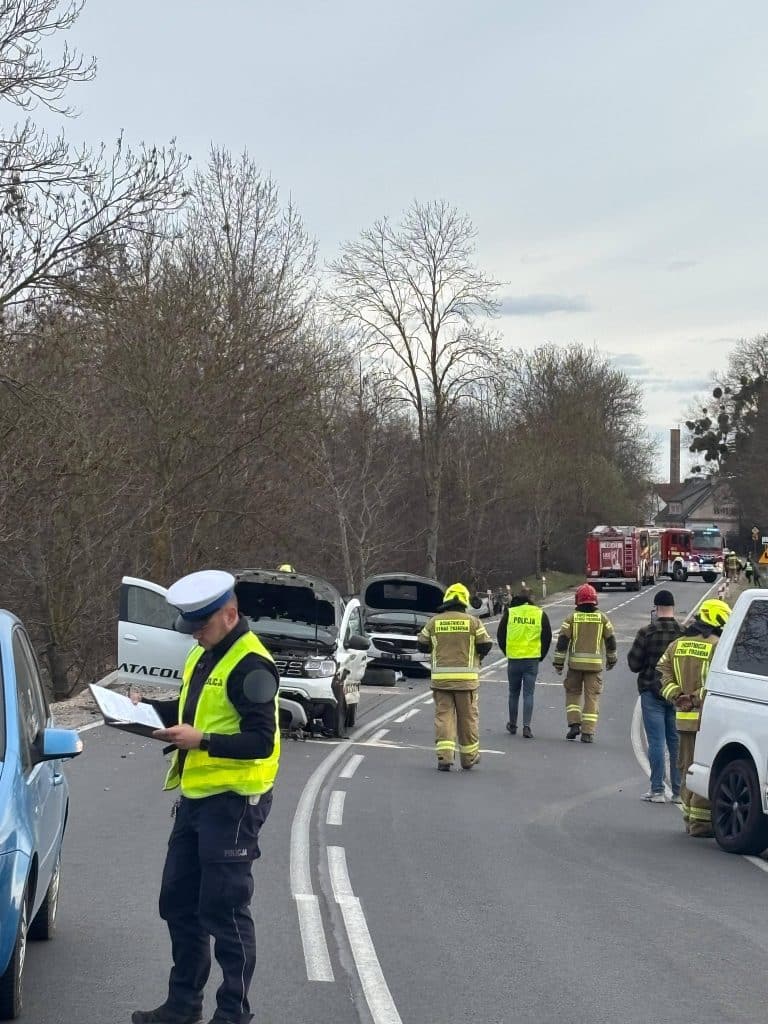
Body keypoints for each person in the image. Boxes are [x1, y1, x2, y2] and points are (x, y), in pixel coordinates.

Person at [132, 570, 280, 1024]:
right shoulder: (205, 653)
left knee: (225, 913)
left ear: (230, 614)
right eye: (191, 626)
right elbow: (191, 711)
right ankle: (182, 1007)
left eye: (202, 625)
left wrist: (203, 742)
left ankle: (232, 1015)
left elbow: (262, 741)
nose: (194, 633)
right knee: (178, 902)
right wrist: (145, 709)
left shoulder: (252, 666)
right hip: (197, 801)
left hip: (235, 804)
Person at [657, 597, 731, 838]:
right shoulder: (718, 646)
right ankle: (701, 824)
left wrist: (677, 696)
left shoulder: (676, 645)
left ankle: (690, 819)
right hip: (707, 721)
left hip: (683, 719)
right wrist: (695, 698)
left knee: (687, 768)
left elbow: (663, 675)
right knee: (705, 770)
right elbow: (717, 684)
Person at [417, 582, 493, 771]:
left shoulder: (435, 621)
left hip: (441, 681)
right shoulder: (473, 622)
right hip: (466, 682)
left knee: (444, 718)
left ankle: (444, 758)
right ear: (465, 601)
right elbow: (486, 645)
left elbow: (421, 644)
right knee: (468, 719)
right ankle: (469, 758)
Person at [626, 590, 684, 803]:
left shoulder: (646, 633)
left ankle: (657, 790)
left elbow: (633, 664)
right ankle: (678, 792)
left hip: (652, 692)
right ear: (673, 607)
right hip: (678, 695)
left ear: (656, 608)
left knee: (657, 742)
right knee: (676, 742)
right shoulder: (684, 633)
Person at [552, 583, 617, 743]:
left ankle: (574, 724)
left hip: (574, 666)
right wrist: (611, 660)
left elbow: (562, 642)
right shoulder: (603, 618)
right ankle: (587, 733)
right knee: (592, 698)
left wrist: (558, 664)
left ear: (578, 600)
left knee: (573, 694)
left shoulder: (571, 618)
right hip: (594, 668)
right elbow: (611, 641)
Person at [497, 592, 552, 738]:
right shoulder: (539, 613)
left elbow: (500, 635)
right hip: (531, 660)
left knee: (513, 693)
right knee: (529, 694)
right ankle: (527, 726)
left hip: (514, 659)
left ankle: (513, 724)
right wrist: (541, 656)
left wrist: (507, 652)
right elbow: (547, 637)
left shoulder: (510, 613)